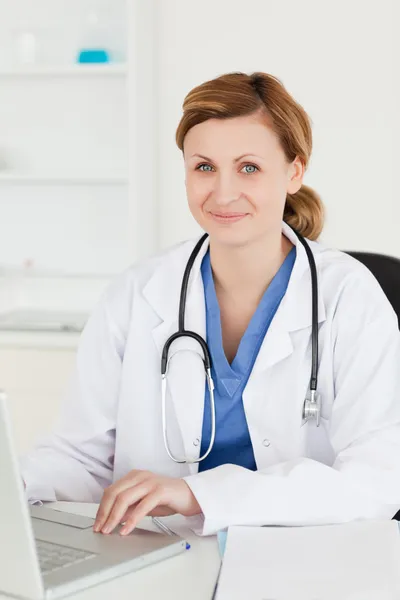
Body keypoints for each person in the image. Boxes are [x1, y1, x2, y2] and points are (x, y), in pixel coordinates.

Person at [21, 72, 400, 537]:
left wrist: (198, 494)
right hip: (157, 555)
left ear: (294, 172)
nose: (222, 193)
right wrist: (17, 484)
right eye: (204, 167)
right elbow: (80, 459)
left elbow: (376, 478)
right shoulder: (138, 293)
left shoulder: (349, 296)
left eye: (248, 167)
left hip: (304, 556)